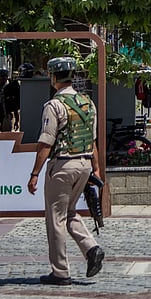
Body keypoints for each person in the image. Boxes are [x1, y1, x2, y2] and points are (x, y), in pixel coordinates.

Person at [26, 57, 104, 286]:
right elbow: (93, 139)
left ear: (53, 77)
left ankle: (60, 272)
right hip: (85, 164)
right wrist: (96, 169)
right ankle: (92, 249)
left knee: (55, 218)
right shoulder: (87, 103)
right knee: (69, 211)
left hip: (62, 165)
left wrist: (35, 173)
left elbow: (46, 142)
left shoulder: (54, 105)